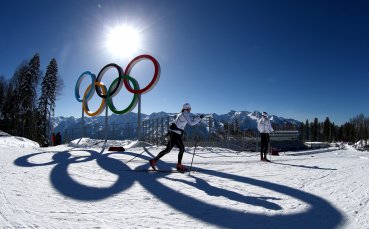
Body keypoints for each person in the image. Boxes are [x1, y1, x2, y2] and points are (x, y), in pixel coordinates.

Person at [149, 103, 203, 172]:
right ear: (187, 108)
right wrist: (199, 118)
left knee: (169, 149)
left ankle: (154, 161)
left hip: (174, 133)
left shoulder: (181, 113)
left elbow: (174, 123)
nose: (191, 109)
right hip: (175, 134)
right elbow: (191, 123)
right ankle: (178, 165)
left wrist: (172, 129)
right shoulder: (185, 114)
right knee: (180, 149)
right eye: (190, 108)